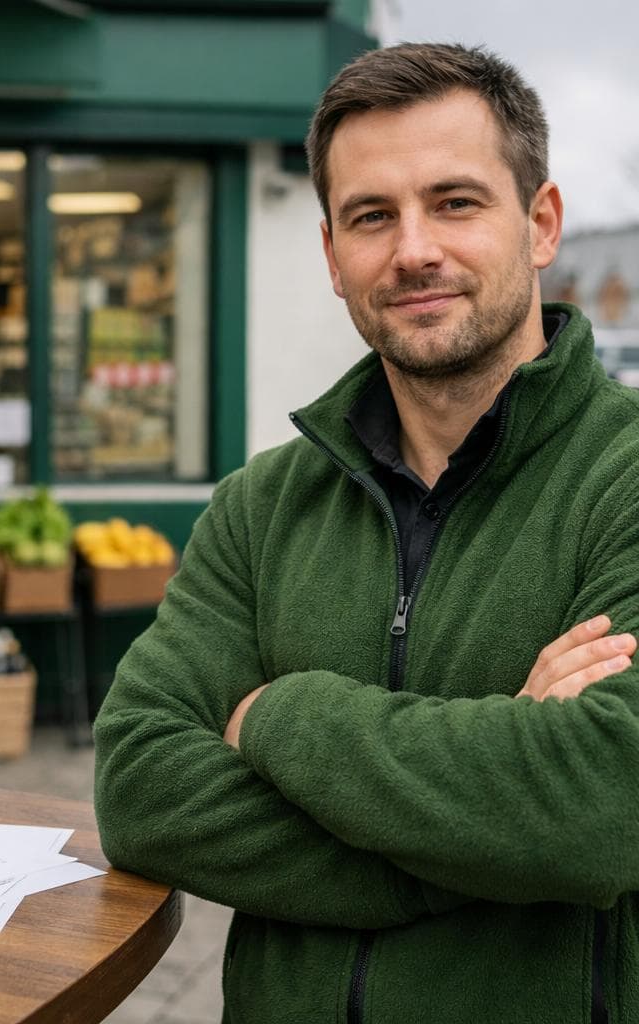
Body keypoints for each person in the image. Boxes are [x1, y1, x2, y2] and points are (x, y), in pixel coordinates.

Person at [93, 42, 639, 1024]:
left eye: (455, 202)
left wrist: (275, 717)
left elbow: (600, 809)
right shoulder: (258, 509)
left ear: (540, 222)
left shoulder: (625, 479)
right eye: (371, 216)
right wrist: (483, 838)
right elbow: (138, 788)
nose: (414, 248)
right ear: (333, 256)